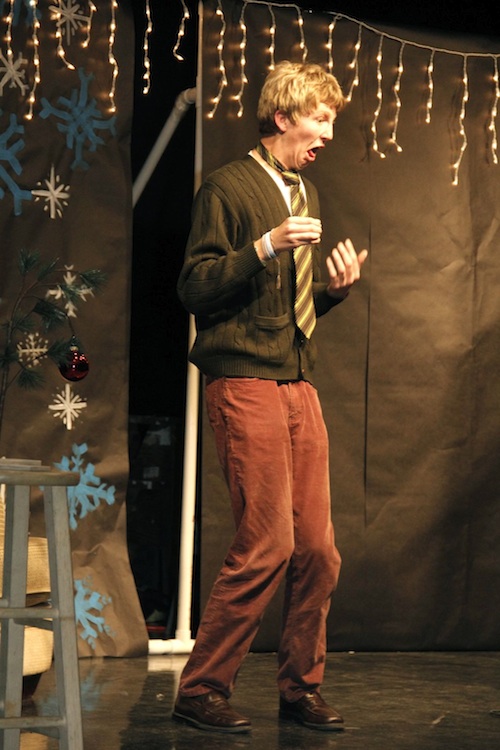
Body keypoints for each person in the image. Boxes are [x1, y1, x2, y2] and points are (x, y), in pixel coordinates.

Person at [173, 60, 368, 734]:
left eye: (332, 122)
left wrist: (332, 292)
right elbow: (195, 289)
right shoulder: (226, 190)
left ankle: (300, 687)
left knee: (317, 549)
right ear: (283, 117)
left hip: (296, 383)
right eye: (320, 119)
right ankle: (200, 689)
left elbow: (287, 307)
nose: (328, 134)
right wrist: (263, 244)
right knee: (266, 545)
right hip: (244, 381)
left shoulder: (305, 195)